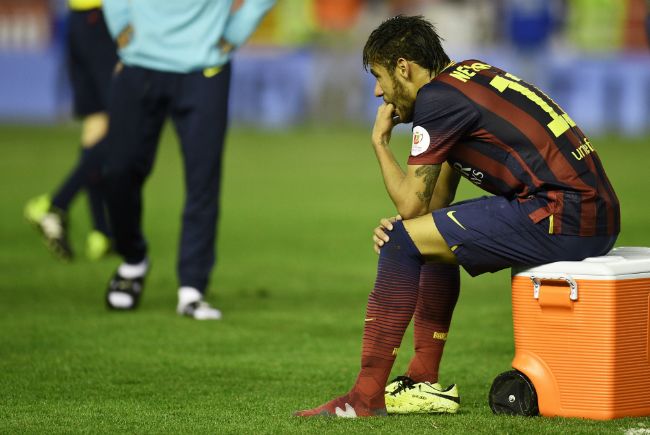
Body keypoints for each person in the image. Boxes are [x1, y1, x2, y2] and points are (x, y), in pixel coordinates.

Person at [295, 15, 619, 418]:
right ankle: (422, 381)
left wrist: (380, 143)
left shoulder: (437, 99)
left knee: (400, 242)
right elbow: (431, 206)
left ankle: (363, 399)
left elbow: (411, 205)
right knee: (421, 239)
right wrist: (410, 227)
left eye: (379, 77)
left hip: (562, 213)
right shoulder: (466, 77)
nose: (378, 92)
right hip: (587, 211)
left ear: (403, 68)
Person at [100, 0, 275, 319]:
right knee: (117, 173)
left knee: (202, 180)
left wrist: (237, 31)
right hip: (139, 63)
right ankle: (133, 260)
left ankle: (192, 289)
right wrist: (118, 20)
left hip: (204, 68)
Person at [24, 0, 116, 261]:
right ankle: (56, 204)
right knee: (123, 125)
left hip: (78, 19)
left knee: (96, 127)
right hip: (102, 19)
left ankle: (101, 233)